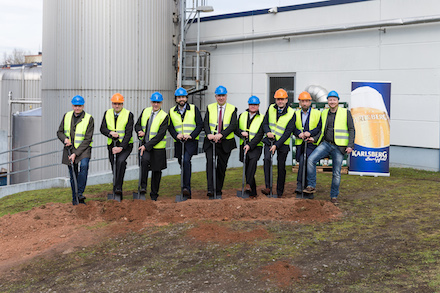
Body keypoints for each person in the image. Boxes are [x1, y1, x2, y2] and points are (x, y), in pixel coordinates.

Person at [303, 90, 355, 204]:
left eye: (334, 99)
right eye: (330, 100)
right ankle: (311, 185)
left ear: (338, 101)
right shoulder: (324, 113)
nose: (332, 102)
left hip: (339, 147)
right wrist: (314, 139)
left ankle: (334, 196)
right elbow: (321, 129)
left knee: (336, 173)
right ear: (328, 101)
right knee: (311, 160)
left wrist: (350, 145)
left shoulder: (346, 113)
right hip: (326, 144)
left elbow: (352, 129)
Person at [57, 95, 94, 205]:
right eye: (75, 106)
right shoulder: (66, 116)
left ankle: (80, 193)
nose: (77, 108)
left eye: (79, 106)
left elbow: (88, 139)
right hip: (69, 149)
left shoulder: (89, 118)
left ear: (83, 106)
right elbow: (59, 132)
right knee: (73, 174)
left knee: (84, 166)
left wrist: (75, 153)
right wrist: (65, 139)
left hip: (83, 149)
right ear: (72, 106)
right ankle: (75, 199)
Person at [168, 87, 203, 199]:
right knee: (182, 163)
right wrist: (176, 135)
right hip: (179, 142)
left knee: (186, 160)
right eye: (179, 97)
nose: (181, 99)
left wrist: (191, 135)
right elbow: (170, 127)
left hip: (191, 141)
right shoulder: (172, 111)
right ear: (176, 99)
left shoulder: (194, 109)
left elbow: (199, 125)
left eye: (183, 97)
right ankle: (185, 187)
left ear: (187, 98)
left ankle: (186, 188)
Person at [203, 85, 237, 199]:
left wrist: (221, 135)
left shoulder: (232, 109)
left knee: (221, 167)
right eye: (219, 96)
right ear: (215, 96)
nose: (221, 98)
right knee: (210, 164)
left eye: (223, 96)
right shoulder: (209, 107)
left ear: (226, 96)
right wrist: (209, 134)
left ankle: (218, 190)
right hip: (210, 142)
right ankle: (210, 189)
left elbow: (233, 125)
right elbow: (206, 123)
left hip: (225, 143)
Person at [261, 88, 295, 198]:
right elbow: (265, 122)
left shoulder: (291, 113)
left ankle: (279, 191)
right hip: (269, 140)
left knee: (281, 166)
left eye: (282, 99)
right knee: (267, 160)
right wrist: (268, 132)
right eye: (278, 99)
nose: (280, 101)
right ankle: (268, 187)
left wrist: (277, 145)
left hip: (282, 143)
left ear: (286, 100)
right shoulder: (271, 108)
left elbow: (288, 132)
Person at [135, 92, 169, 201]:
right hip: (145, 145)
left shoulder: (164, 116)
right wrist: (139, 131)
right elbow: (137, 125)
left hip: (157, 148)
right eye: (154, 102)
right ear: (151, 102)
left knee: (156, 171)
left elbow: (160, 135)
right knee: (144, 163)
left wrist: (147, 145)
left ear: (161, 103)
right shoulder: (145, 111)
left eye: (158, 102)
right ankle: (143, 187)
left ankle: (154, 194)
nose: (156, 104)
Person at [100, 93, 134, 199]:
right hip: (112, 145)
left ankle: (118, 188)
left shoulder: (129, 114)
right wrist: (110, 133)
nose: (117, 106)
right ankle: (117, 190)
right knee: (114, 166)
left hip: (125, 145)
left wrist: (121, 147)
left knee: (120, 161)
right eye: (115, 104)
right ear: (112, 104)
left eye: (119, 104)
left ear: (122, 104)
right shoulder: (107, 113)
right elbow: (102, 128)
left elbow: (128, 133)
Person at [292, 91, 322, 199]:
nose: (305, 103)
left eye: (307, 101)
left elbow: (319, 127)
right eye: (302, 101)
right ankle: (303, 186)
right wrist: (298, 133)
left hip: (311, 143)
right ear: (299, 102)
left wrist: (311, 134)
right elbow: (292, 127)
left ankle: (303, 186)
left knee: (306, 160)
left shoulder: (317, 113)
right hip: (300, 143)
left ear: (310, 102)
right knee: (302, 161)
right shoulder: (295, 114)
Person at [236, 96, 264, 198]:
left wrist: (250, 145)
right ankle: (252, 192)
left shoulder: (262, 118)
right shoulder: (242, 115)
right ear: (248, 105)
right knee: (247, 166)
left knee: (252, 163)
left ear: (258, 106)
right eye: (251, 104)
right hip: (243, 145)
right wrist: (241, 133)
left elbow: (260, 134)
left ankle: (248, 183)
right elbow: (236, 128)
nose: (253, 106)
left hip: (256, 146)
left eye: (255, 105)